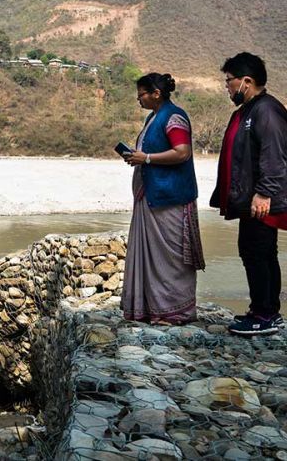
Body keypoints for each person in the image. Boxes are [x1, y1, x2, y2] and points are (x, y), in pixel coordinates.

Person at [210, 52, 287, 336]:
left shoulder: (267, 110)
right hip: (249, 198)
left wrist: (264, 193)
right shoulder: (246, 111)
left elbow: (275, 156)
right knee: (257, 251)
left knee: (259, 252)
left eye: (229, 81)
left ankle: (265, 315)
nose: (227, 87)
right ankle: (263, 310)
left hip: (261, 199)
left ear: (246, 81)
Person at [121, 72, 205, 325]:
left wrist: (145, 158)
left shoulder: (174, 117)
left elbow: (182, 152)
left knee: (171, 257)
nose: (139, 100)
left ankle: (176, 311)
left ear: (156, 94)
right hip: (153, 195)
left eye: (142, 95)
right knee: (156, 256)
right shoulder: (154, 117)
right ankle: (154, 308)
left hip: (170, 197)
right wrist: (139, 157)